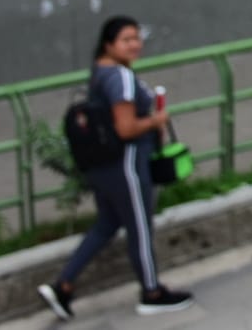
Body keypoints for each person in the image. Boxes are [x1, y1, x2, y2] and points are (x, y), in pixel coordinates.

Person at [38, 17, 194, 321]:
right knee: (140, 228)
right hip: (126, 165)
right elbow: (126, 128)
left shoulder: (99, 72)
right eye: (126, 39)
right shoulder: (120, 77)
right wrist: (155, 121)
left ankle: (63, 286)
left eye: (136, 37)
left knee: (107, 224)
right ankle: (152, 293)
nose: (135, 44)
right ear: (109, 44)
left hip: (102, 167)